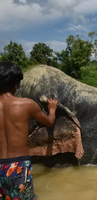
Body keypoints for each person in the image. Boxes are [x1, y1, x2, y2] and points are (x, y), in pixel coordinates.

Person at [0, 62, 58, 200]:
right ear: (16, 84)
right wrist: (52, 109)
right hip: (18, 165)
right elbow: (49, 122)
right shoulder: (26, 104)